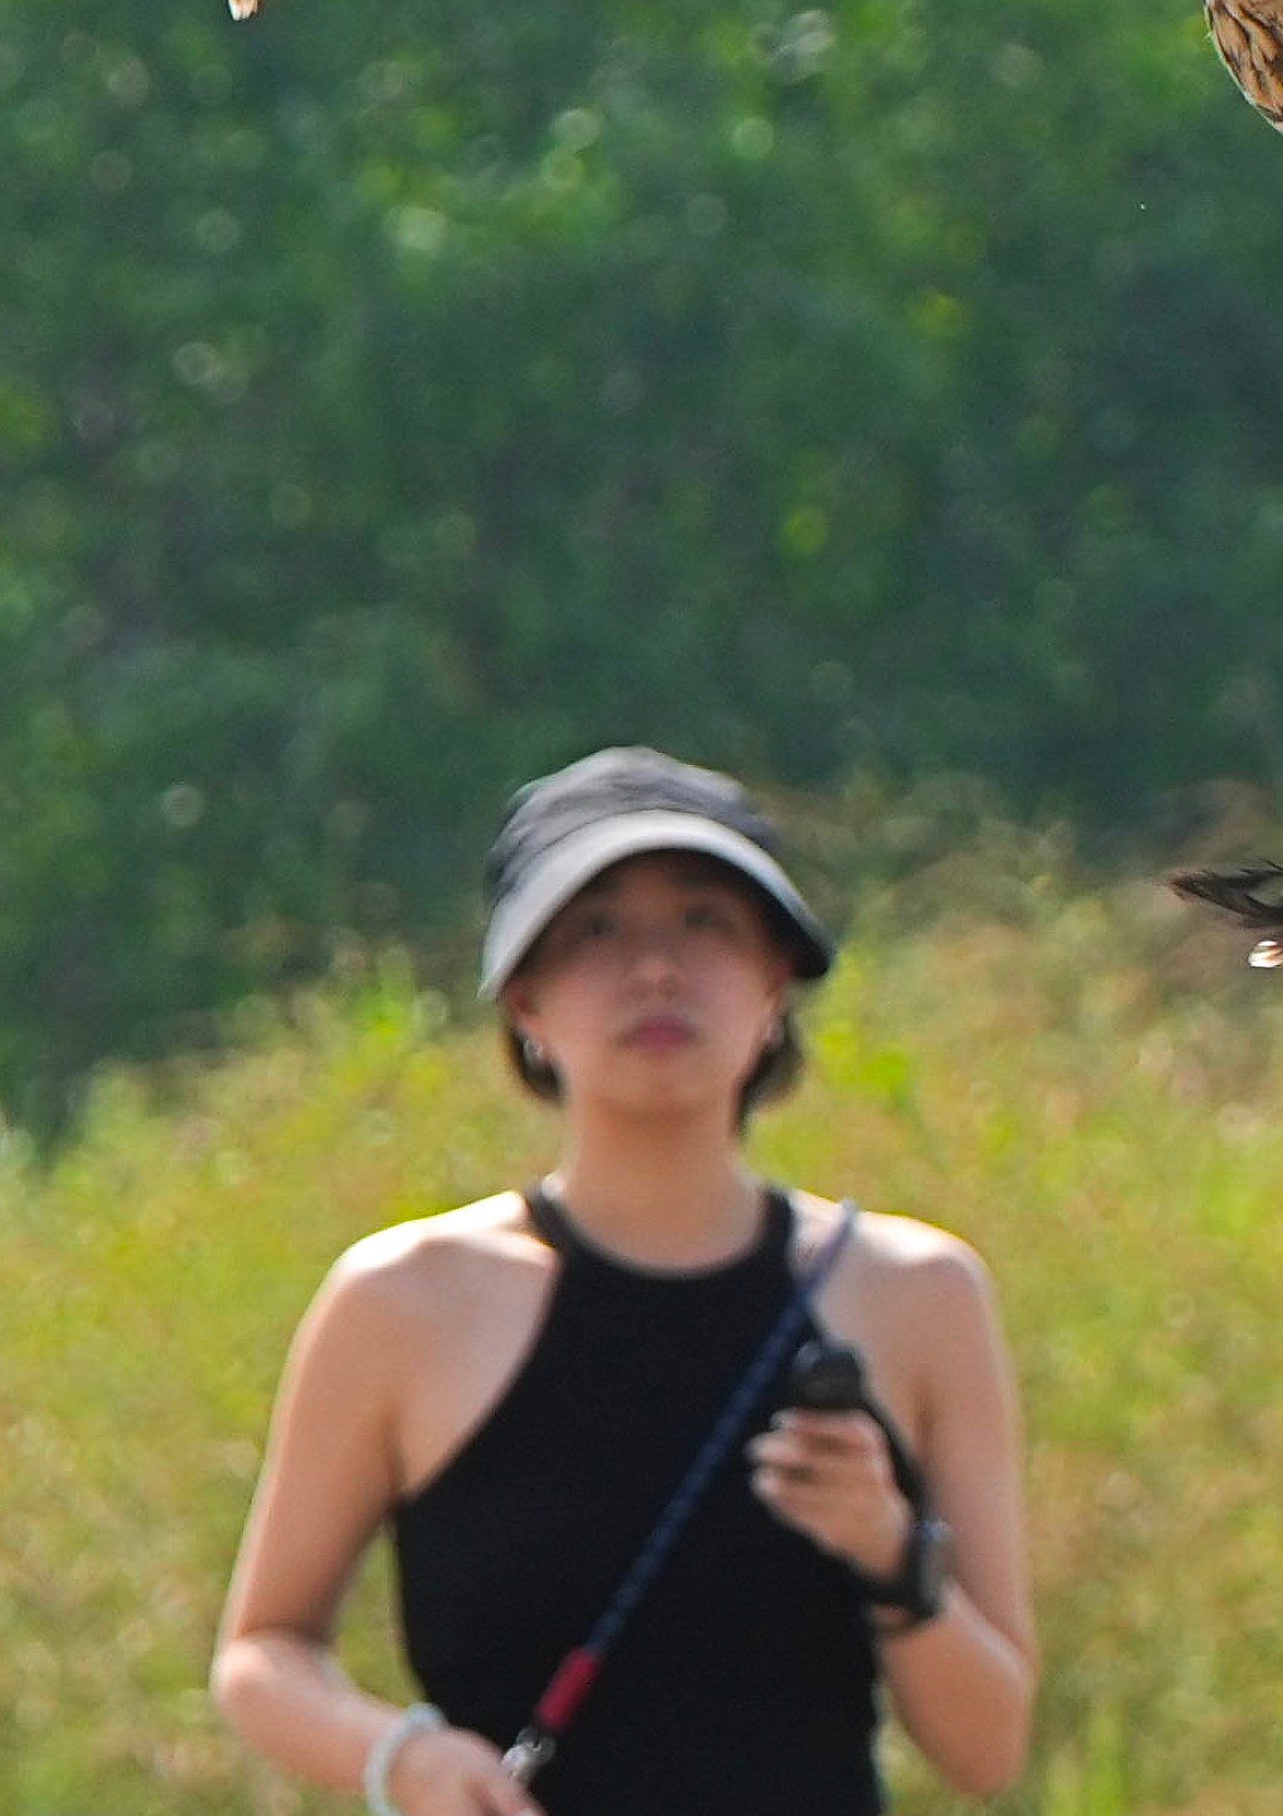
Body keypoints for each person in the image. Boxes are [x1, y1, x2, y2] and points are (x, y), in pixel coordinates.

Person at [213, 746, 1036, 1815]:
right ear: (523, 1001)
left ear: (776, 984)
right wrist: (399, 1753)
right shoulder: (404, 1300)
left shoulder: (918, 1293)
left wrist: (889, 1550)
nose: (655, 969)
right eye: (594, 929)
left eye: (705, 922)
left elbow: (989, 1747)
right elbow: (264, 1650)